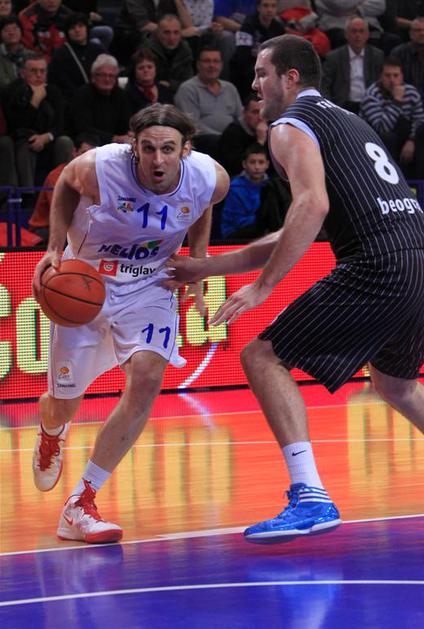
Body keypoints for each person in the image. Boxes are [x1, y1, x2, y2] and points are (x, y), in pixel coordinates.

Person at [164, 34, 424, 542]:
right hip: (416, 257)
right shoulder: (348, 118)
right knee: (396, 385)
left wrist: (262, 288)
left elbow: (312, 207)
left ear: (291, 77)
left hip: (379, 262)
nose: (253, 84)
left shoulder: (289, 124)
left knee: (261, 357)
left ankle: (310, 496)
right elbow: (297, 227)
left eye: (261, 73)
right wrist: (209, 268)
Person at [31, 103, 229, 543]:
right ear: (132, 146)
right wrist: (54, 248)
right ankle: (52, 428)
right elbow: (65, 182)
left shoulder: (210, 177)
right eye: (148, 148)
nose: (158, 159)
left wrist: (198, 262)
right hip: (86, 282)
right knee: (64, 402)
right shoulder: (100, 167)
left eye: (168, 149)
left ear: (185, 149)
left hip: (151, 284)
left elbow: (201, 206)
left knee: (147, 377)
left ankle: (81, 501)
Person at [3, 52, 73, 186]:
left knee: (65, 141)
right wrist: (34, 101)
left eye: (42, 71)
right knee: (27, 145)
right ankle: (27, 194)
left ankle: (63, 190)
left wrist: (47, 137)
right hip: (23, 140)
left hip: (49, 140)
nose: (39, 75)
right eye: (33, 71)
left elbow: (61, 123)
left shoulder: (54, 91)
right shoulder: (13, 91)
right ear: (23, 73)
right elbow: (16, 125)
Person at [28, 132, 100, 243]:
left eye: (93, 155)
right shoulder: (57, 176)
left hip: (81, 223)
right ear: (74, 152)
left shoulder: (99, 174)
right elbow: (61, 212)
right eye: (84, 153)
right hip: (47, 227)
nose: (88, 159)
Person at [360, 58, 424, 176]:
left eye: (396, 75)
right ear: (380, 77)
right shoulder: (371, 95)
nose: (392, 80)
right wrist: (397, 101)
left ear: (402, 76)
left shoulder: (412, 93)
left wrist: (411, 140)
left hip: (406, 140)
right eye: (387, 75)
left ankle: (420, 181)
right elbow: (382, 128)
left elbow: (419, 121)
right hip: (376, 141)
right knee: (388, 137)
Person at [175, 45, 242, 158]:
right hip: (204, 141)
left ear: (221, 65)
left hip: (231, 140)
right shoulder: (187, 89)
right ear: (198, 65)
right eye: (207, 61)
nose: (212, 65)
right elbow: (192, 124)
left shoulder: (230, 88)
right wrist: (224, 137)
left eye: (216, 61)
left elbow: (240, 117)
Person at [321, 16, 384, 113]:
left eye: (361, 31)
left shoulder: (377, 56)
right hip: (342, 106)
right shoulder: (334, 57)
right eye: (354, 31)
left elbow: (382, 83)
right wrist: (331, 108)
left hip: (370, 106)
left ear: (367, 35)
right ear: (346, 34)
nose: (358, 35)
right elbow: (324, 86)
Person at [70, 54, 132, 146]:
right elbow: (83, 128)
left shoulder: (120, 94)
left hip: (116, 144)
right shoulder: (83, 94)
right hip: (89, 143)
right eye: (103, 75)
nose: (107, 79)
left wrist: (128, 134)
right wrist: (113, 138)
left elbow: (125, 124)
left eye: (111, 76)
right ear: (93, 77)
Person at [220, 142, 269, 240]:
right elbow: (236, 220)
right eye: (252, 162)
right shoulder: (234, 187)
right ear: (244, 164)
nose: (257, 167)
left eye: (261, 162)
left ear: (267, 164)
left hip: (260, 228)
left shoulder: (272, 186)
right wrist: (264, 220)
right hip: (234, 233)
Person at [124, 47, 174, 115]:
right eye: (141, 68)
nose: (146, 70)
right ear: (134, 72)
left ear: (156, 69)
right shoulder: (128, 94)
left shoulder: (165, 91)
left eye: (150, 67)